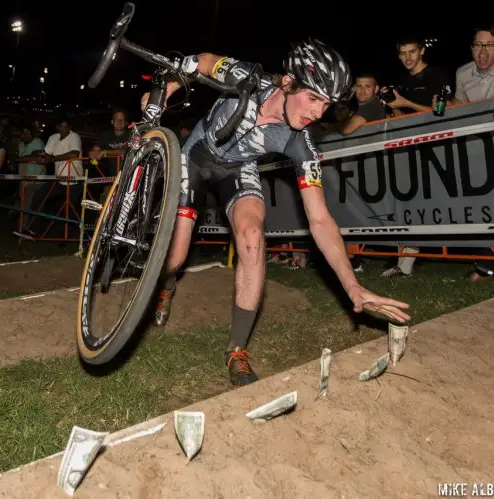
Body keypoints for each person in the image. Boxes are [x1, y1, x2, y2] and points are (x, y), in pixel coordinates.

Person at [141, 38, 411, 386]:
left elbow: (319, 219)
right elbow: (204, 61)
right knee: (175, 258)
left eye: (326, 105)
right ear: (287, 83)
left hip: (238, 169)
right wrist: (169, 88)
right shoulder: (246, 78)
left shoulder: (302, 143)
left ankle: (237, 349)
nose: (318, 112)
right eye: (313, 98)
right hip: (196, 155)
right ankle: (167, 283)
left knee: (253, 237)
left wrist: (352, 285)